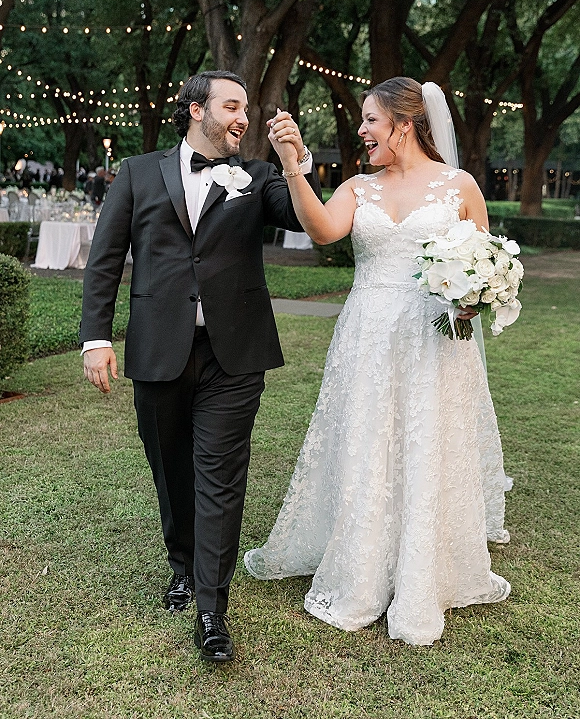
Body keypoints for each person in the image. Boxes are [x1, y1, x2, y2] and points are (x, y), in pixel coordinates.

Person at [244, 77, 511, 647]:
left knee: (425, 440)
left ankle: (424, 573)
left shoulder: (458, 185)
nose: (362, 131)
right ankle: (363, 569)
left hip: (433, 338)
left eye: (370, 121)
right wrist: (292, 164)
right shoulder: (357, 188)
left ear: (404, 124)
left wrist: (471, 299)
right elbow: (322, 230)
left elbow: (483, 259)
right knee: (369, 440)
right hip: (366, 332)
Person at [80, 70, 321, 662]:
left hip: (234, 354)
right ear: (196, 110)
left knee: (220, 476)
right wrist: (95, 338)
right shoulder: (137, 173)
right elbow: (106, 260)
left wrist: (294, 160)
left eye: (247, 108)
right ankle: (182, 566)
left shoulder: (259, 176)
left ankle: (213, 611)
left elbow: (302, 219)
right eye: (231, 105)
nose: (243, 117)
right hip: (159, 350)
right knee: (172, 469)